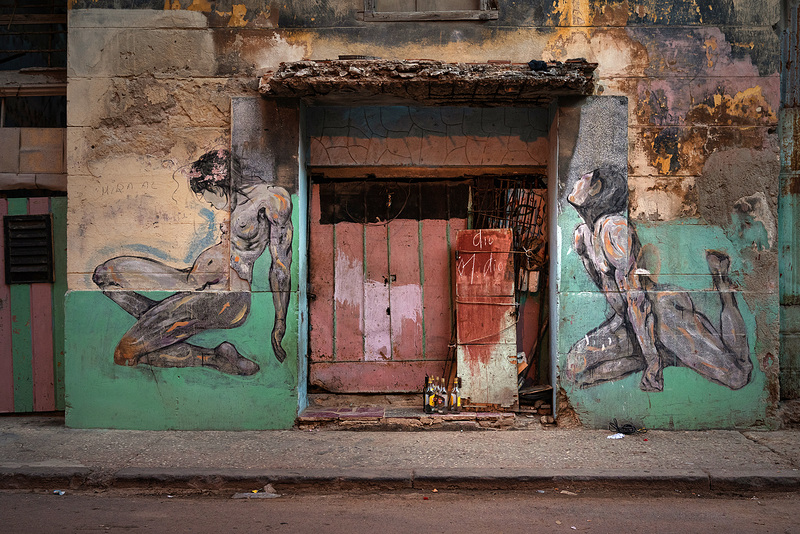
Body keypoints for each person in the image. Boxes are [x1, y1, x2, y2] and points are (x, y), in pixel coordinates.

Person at [92, 149, 293, 376]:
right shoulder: (231, 205)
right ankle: (163, 321)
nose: (209, 203)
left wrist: (280, 320)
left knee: (124, 354)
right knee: (105, 274)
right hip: (192, 282)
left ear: (217, 186)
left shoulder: (272, 199)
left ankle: (212, 359)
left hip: (226, 297)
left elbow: (281, 266)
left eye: (207, 195)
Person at [565, 166, 752, 391]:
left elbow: (637, 299)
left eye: (583, 178)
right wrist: (643, 349)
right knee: (575, 369)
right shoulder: (582, 236)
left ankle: (724, 290)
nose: (577, 181)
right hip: (632, 324)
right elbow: (616, 298)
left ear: (597, 189)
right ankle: (667, 354)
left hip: (663, 315)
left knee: (737, 377)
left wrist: (651, 361)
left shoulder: (615, 230)